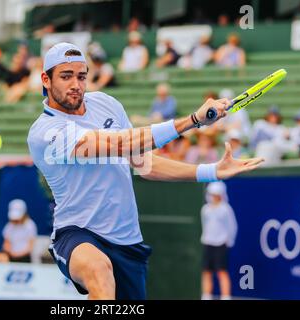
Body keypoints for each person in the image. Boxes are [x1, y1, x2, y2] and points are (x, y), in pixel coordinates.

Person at [27, 42, 264, 300]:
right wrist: (192, 121)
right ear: (46, 79)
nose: (76, 84)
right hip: (76, 232)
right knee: (99, 270)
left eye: (81, 76)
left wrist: (211, 171)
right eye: (66, 76)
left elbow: (144, 164)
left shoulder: (106, 103)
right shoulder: (45, 133)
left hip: (127, 240)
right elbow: (121, 144)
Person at [201, 182, 237, 300]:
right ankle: (206, 296)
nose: (213, 196)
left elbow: (232, 227)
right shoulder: (205, 209)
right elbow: (204, 225)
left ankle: (225, 297)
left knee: (222, 272)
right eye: (211, 194)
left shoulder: (226, 209)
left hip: (221, 244)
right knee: (206, 271)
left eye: (215, 194)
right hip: (208, 243)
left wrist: (229, 241)